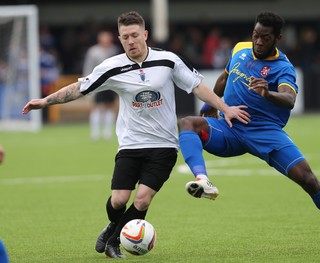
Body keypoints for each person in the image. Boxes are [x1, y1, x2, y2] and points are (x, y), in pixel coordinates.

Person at [22, 11, 249, 258]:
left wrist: (225, 108)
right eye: (125, 37)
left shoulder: (168, 60)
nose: (130, 41)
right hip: (130, 144)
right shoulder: (112, 67)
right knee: (119, 200)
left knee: (141, 201)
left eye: (134, 35)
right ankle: (113, 228)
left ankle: (114, 242)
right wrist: (45, 101)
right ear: (120, 39)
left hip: (164, 145)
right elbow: (79, 88)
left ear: (145, 34)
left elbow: (198, 87)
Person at [178, 11, 320, 251]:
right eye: (256, 35)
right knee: (187, 124)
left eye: (265, 37)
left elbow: (289, 98)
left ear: (278, 39)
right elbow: (225, 77)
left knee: (309, 180)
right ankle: (203, 180)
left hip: (265, 133)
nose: (259, 41)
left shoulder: (283, 67)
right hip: (230, 127)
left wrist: (267, 93)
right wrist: (211, 104)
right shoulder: (240, 49)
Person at [82, 30, 119, 141]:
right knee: (97, 107)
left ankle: (107, 133)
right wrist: (86, 82)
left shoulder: (114, 50)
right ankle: (95, 133)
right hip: (97, 83)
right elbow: (88, 67)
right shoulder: (93, 51)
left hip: (111, 83)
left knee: (110, 107)